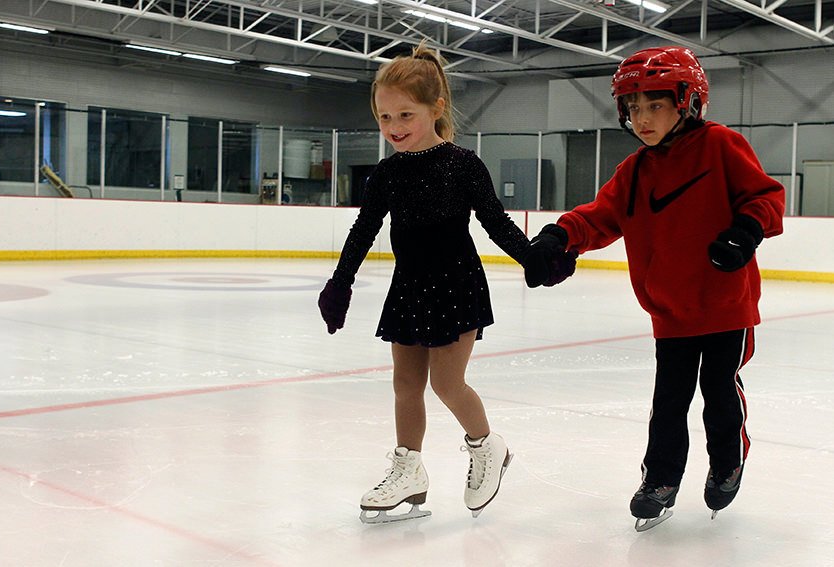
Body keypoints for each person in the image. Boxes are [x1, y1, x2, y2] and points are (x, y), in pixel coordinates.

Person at [524, 46, 785, 530]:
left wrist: (745, 233)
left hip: (726, 304)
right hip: (669, 310)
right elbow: (600, 216)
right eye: (633, 107)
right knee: (669, 398)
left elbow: (766, 196)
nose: (642, 118)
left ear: (687, 102)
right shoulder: (636, 170)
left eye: (655, 105)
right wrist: (559, 236)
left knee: (719, 390)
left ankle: (728, 460)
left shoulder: (721, 145)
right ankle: (660, 478)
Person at [318, 43, 553, 524]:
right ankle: (409, 471)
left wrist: (533, 259)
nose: (394, 127)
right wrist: (340, 282)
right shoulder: (385, 174)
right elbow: (364, 230)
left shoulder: (463, 164)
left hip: (457, 284)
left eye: (406, 113)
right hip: (408, 286)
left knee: (447, 382)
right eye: (384, 117)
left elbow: (496, 223)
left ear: (436, 108)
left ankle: (488, 446)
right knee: (405, 384)